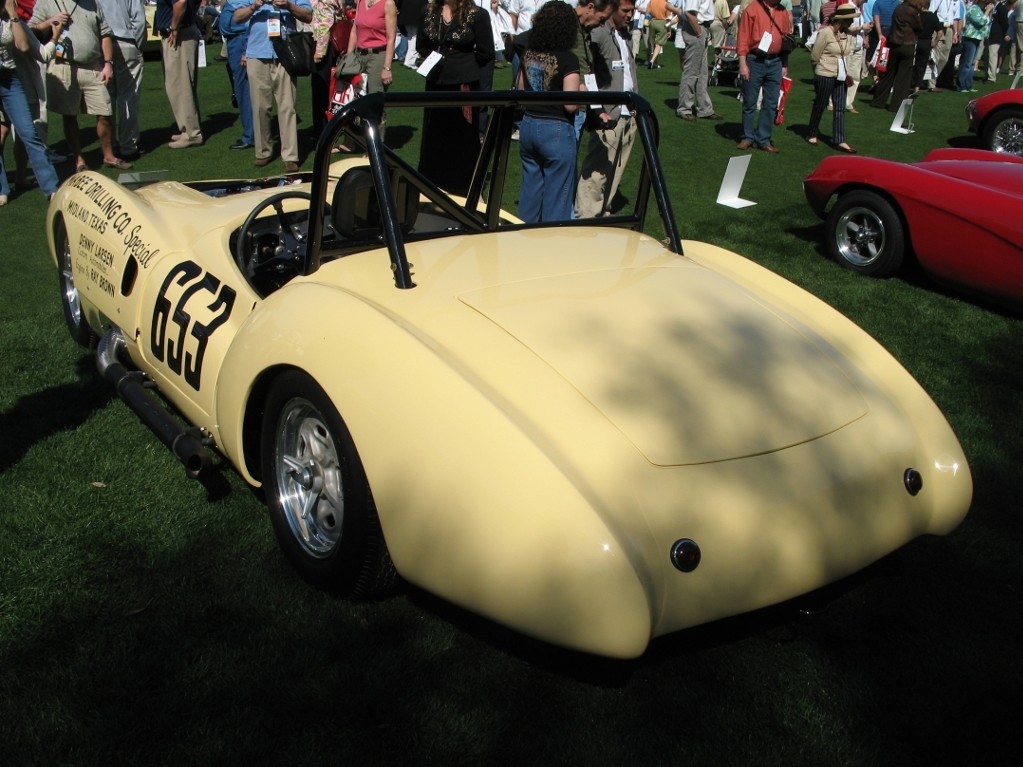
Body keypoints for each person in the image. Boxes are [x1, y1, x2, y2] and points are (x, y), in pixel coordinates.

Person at [30, 0, 133, 171]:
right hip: (63, 65)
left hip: (93, 65)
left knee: (105, 111)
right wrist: (50, 22)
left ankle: (109, 156)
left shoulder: (92, 3)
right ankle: (79, 160)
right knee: (70, 115)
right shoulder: (46, 2)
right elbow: (31, 30)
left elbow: (105, 34)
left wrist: (108, 63)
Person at [415, 0, 494, 195]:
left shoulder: (477, 14)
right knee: (435, 132)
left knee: (463, 135)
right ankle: (432, 181)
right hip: (435, 82)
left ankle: (462, 184)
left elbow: (486, 52)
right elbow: (421, 45)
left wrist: (462, 64)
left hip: (463, 84)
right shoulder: (428, 12)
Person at [517, 0, 580, 222]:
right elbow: (570, 104)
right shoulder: (568, 59)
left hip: (529, 123)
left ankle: (522, 241)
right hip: (556, 128)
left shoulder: (528, 53)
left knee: (530, 192)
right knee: (558, 197)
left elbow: (520, 89)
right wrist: (583, 92)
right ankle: (553, 247)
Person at [234, 0, 314, 172]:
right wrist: (255, 6)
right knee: (260, 107)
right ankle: (263, 151)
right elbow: (237, 17)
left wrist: (288, 6)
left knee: (287, 107)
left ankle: (290, 156)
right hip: (257, 53)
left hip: (285, 53)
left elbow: (308, 15)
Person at [576, 0, 637, 217]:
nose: (630, 15)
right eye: (625, 11)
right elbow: (586, 71)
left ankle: (604, 209)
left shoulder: (625, 34)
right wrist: (597, 107)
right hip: (608, 111)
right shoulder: (599, 33)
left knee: (616, 168)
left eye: (632, 10)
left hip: (629, 111)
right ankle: (586, 216)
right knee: (597, 170)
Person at [1, 0, 59, 200]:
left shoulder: (10, 17)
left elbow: (23, 46)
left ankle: (51, 189)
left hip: (10, 79)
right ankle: (2, 188)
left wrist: (12, 13)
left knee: (28, 132)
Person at [736, 0, 792, 153]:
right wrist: (743, 64)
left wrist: (784, 64)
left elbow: (786, 39)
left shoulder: (783, 12)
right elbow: (742, 39)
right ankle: (747, 136)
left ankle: (763, 138)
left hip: (775, 61)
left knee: (771, 102)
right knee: (750, 101)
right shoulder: (751, 10)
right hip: (755, 60)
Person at [95, 0, 145, 160]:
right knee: (129, 96)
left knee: (107, 98)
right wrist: (139, 44)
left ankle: (109, 146)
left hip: (101, 44)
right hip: (126, 40)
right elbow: (139, 19)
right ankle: (128, 145)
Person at [153, 0, 204, 149]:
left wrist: (174, 28)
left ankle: (191, 133)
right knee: (181, 85)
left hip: (179, 34)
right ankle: (187, 128)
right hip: (183, 31)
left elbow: (180, 2)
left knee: (181, 86)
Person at [807, 2, 856, 151]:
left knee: (840, 107)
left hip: (841, 76)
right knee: (820, 104)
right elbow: (815, 55)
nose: (851, 22)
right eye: (849, 19)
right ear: (840, 19)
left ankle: (839, 139)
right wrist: (819, 69)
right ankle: (812, 133)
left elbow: (849, 53)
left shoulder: (849, 35)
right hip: (825, 74)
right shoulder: (826, 33)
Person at [670, 0, 722, 120]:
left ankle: (704, 109)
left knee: (702, 72)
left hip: (699, 27)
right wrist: (699, 32)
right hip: (695, 28)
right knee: (692, 71)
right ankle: (685, 108)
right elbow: (690, 13)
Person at [871, 0, 922, 108]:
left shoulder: (898, 8)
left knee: (887, 74)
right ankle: (896, 105)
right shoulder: (912, 11)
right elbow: (919, 27)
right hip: (907, 45)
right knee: (903, 77)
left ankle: (878, 101)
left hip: (894, 43)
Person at [220, 0, 254, 148]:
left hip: (241, 38)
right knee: (242, 87)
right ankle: (250, 133)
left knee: (243, 88)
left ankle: (250, 135)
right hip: (235, 38)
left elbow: (248, 19)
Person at [347, 0, 397, 95]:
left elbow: (391, 39)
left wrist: (387, 68)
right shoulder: (361, 2)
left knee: (374, 97)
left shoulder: (388, 3)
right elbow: (354, 31)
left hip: (377, 56)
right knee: (356, 96)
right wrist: (348, 58)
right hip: (359, 56)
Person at [957, 0, 992, 91]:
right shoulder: (973, 9)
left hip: (977, 38)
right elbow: (980, 22)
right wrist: (987, 11)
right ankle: (961, 85)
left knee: (972, 63)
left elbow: (986, 23)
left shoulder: (980, 10)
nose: (987, 4)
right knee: (967, 63)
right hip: (970, 38)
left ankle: (968, 85)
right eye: (986, 3)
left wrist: (988, 12)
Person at [927, 0, 958, 90]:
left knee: (945, 58)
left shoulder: (956, 1)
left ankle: (933, 78)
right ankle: (931, 84)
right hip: (939, 27)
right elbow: (931, 12)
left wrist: (955, 33)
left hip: (949, 28)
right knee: (936, 55)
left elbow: (956, 18)